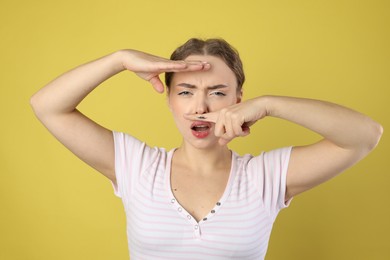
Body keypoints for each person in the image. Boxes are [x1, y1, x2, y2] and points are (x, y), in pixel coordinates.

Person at [30, 38, 383, 259]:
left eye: (217, 92)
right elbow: (47, 105)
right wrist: (119, 60)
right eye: (185, 92)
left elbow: (365, 134)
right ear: (168, 100)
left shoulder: (265, 177)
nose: (201, 107)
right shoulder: (137, 167)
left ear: (238, 100)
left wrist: (271, 104)